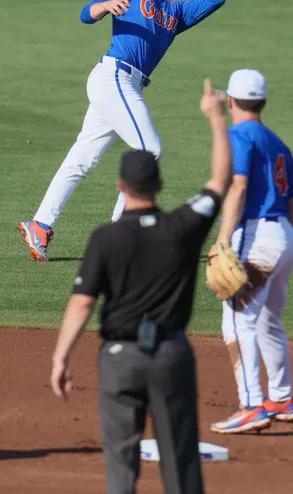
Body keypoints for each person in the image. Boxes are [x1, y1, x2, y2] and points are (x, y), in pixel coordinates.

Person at [50, 79, 231, 494]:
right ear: (160, 187)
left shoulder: (106, 238)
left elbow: (80, 305)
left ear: (120, 187)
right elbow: (220, 181)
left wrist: (61, 358)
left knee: (120, 461)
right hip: (171, 356)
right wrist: (216, 119)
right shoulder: (183, 227)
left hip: (119, 359)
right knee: (181, 460)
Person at [18, 0, 225, 261]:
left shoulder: (175, 12)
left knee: (82, 158)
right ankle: (122, 236)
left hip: (126, 86)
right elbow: (87, 13)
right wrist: (104, 7)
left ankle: (40, 225)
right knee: (150, 149)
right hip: (113, 77)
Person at [210, 69, 293, 435]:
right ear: (262, 102)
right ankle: (281, 398)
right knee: (267, 319)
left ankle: (252, 405)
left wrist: (222, 240)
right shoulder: (278, 142)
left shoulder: (236, 135)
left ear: (230, 101)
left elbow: (239, 186)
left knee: (236, 320)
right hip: (284, 236)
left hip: (257, 235)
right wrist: (280, 242)